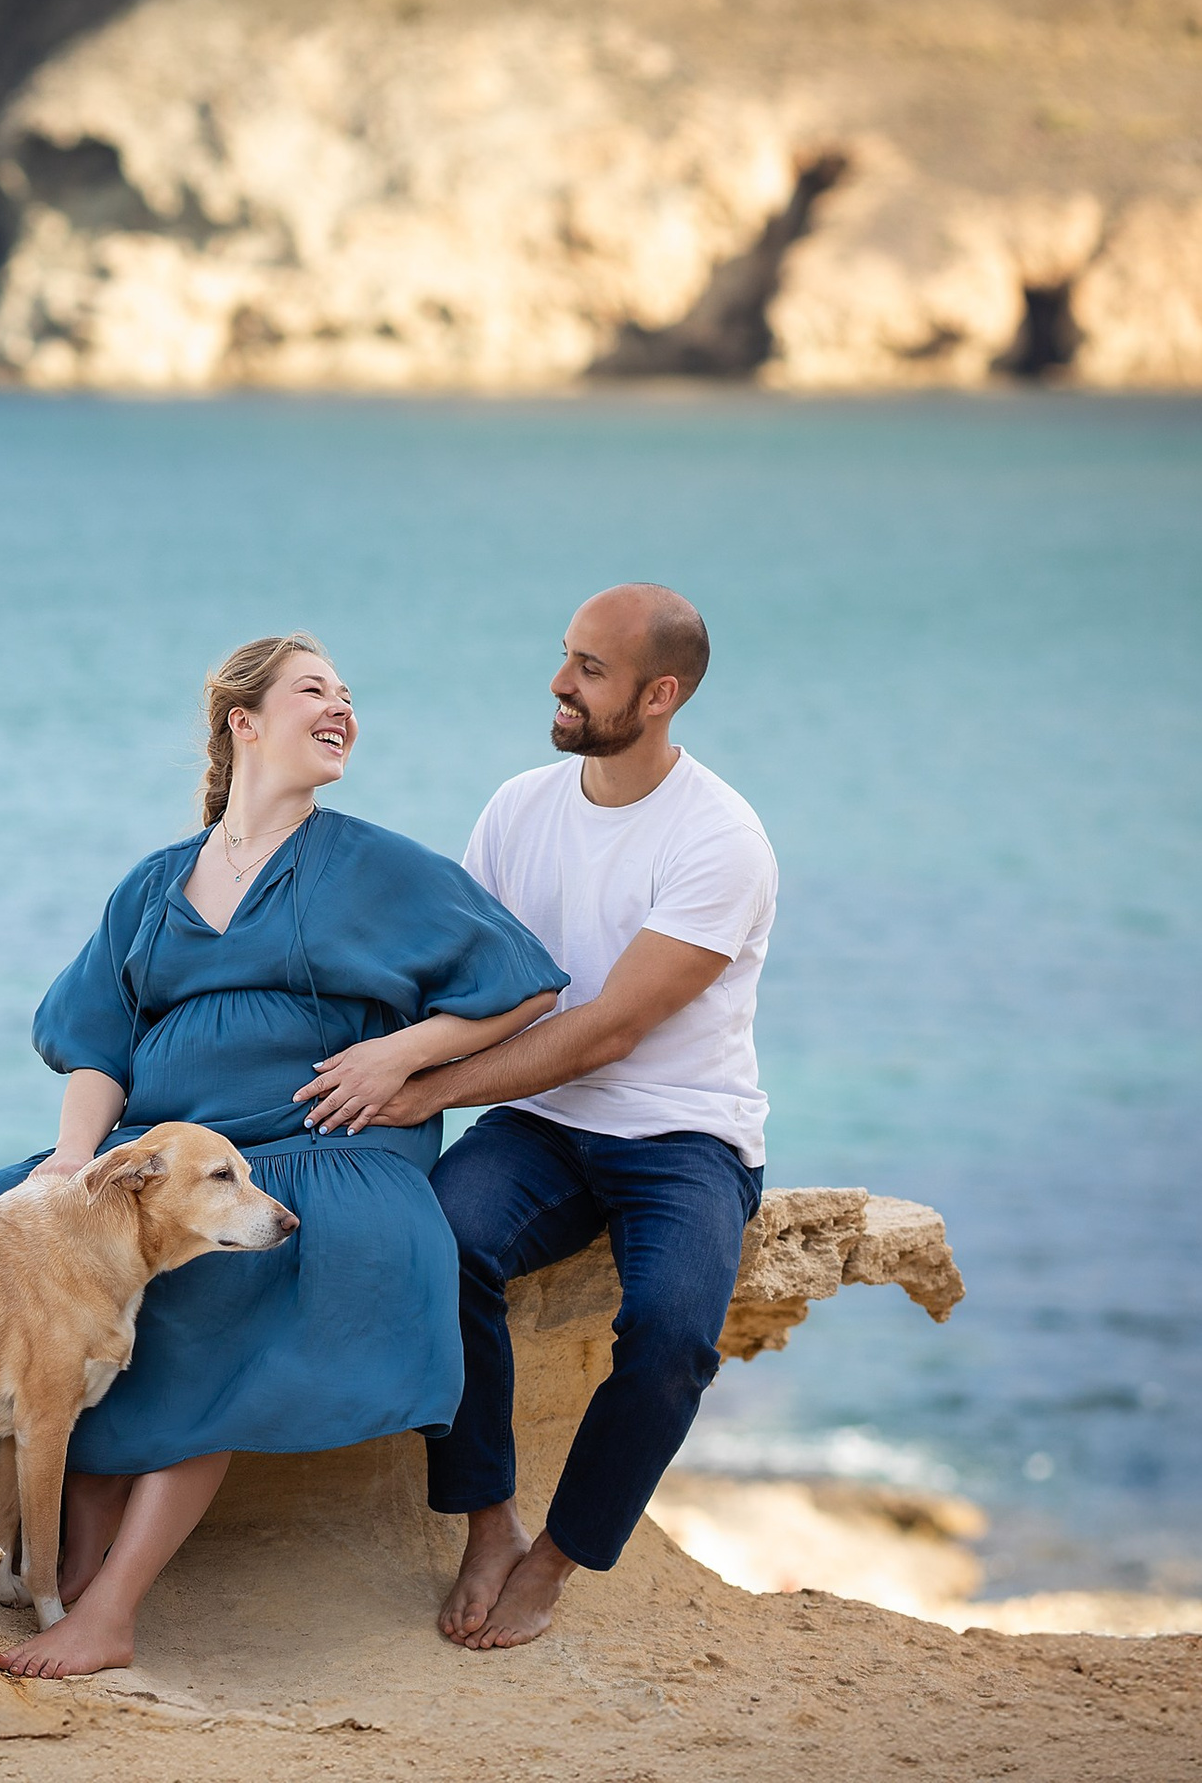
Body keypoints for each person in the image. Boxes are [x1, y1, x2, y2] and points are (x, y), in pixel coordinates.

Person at [0, 634, 567, 1678]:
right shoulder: (154, 884)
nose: (341, 708)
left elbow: (521, 980)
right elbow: (97, 1038)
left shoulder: (376, 862)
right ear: (242, 722)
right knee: (10, 1229)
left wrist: (401, 1054)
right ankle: (62, 1552)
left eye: (347, 696)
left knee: (210, 1281)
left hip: (319, 1154)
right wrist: (70, 1159)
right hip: (159, 1153)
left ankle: (108, 1607)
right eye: (313, 691)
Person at [324, 583, 776, 1653]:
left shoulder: (722, 839)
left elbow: (610, 1027)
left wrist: (427, 1091)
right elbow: (466, 983)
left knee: (668, 1332)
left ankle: (561, 1555)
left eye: (589, 668)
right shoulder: (518, 807)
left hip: (684, 1134)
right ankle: (489, 1521)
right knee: (442, 1244)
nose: (558, 682)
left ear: (659, 695)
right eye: (565, 655)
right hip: (540, 1125)